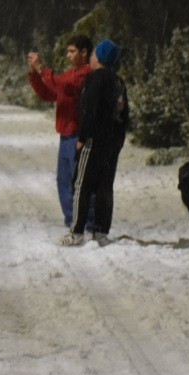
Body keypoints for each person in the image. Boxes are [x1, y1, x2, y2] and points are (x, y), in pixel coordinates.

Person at [61, 39, 128, 247]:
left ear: (100, 58)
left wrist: (82, 138)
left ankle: (77, 231)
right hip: (111, 143)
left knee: (81, 184)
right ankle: (100, 231)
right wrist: (117, 142)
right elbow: (124, 115)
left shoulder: (95, 79)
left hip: (94, 141)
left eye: (93, 54)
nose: (90, 57)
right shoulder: (118, 82)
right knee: (104, 187)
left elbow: (90, 112)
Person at [27, 35, 93, 229]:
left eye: (72, 51)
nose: (68, 55)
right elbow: (49, 93)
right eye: (68, 51)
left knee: (78, 184)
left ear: (84, 53)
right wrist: (34, 74)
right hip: (65, 136)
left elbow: (63, 86)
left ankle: (85, 225)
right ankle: (71, 223)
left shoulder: (85, 74)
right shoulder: (71, 73)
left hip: (77, 136)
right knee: (64, 183)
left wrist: (41, 69)